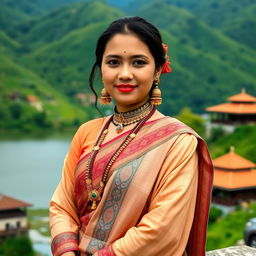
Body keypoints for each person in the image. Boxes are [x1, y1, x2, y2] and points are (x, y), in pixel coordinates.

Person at [49, 16, 213, 256]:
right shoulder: (87, 132)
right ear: (101, 67)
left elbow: (162, 230)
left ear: (157, 70)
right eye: (114, 62)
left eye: (138, 63)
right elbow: (62, 206)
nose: (125, 74)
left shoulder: (178, 141)